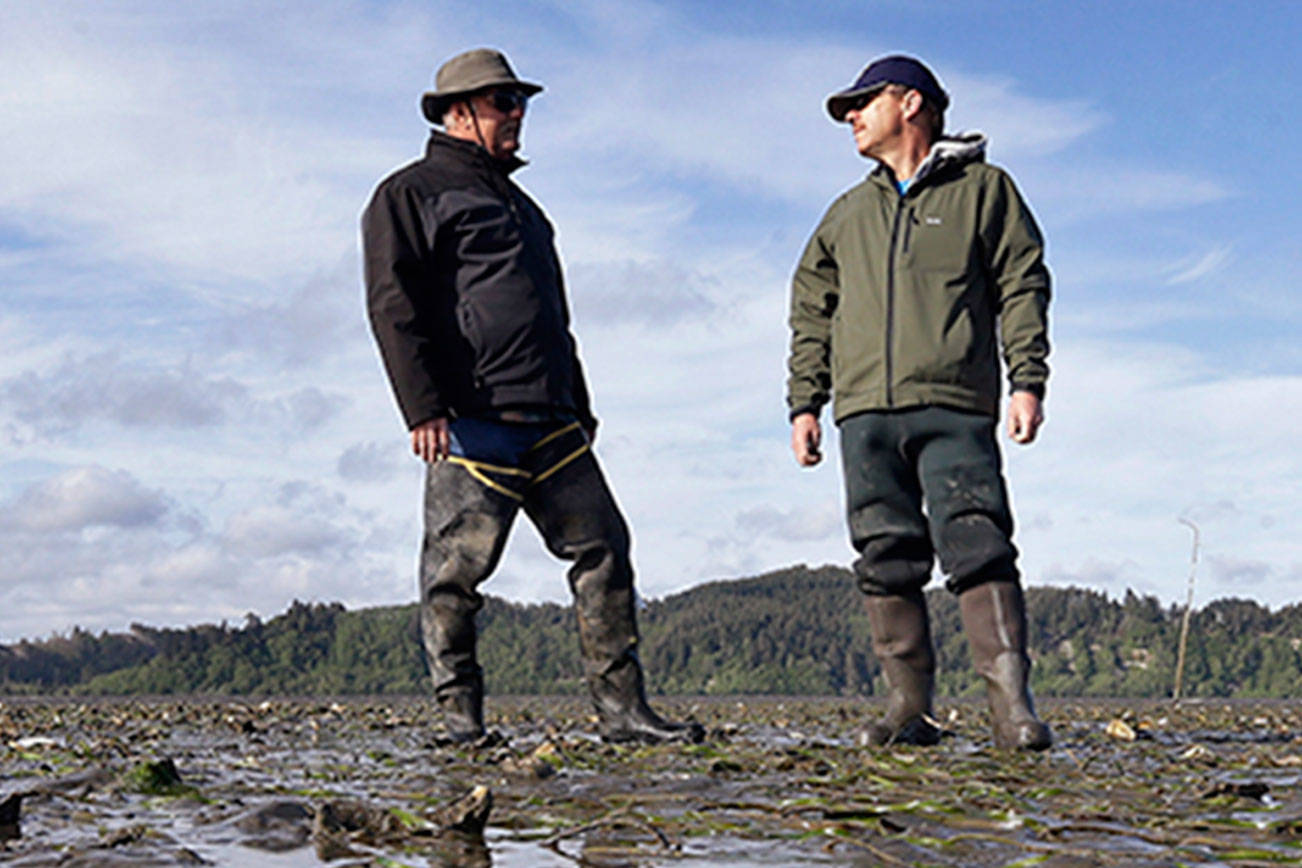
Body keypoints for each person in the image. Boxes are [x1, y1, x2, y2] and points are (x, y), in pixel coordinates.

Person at [363, 48, 702, 745]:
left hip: (552, 421)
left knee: (605, 550)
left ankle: (622, 713)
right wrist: (421, 407)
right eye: (502, 102)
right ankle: (459, 721)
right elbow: (392, 305)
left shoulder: (525, 209)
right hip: (470, 421)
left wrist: (580, 404)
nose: (518, 114)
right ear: (458, 113)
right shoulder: (409, 194)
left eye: (520, 102)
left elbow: (555, 314)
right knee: (454, 578)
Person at [786, 55, 1052, 750]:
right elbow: (811, 310)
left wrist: (1027, 379)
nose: (851, 117)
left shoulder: (984, 191)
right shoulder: (846, 215)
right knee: (885, 555)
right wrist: (804, 403)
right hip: (865, 413)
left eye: (862, 102)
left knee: (979, 545)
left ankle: (1010, 711)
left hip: (955, 404)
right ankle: (911, 710)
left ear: (910, 103)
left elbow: (1022, 284)